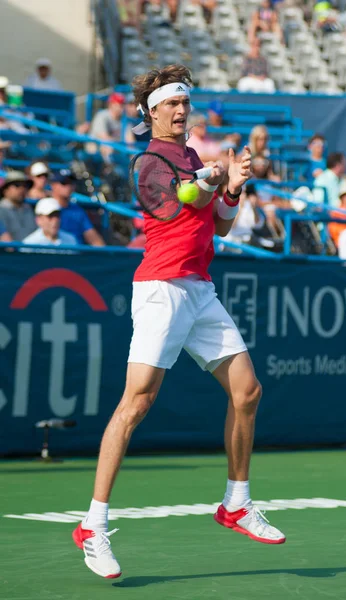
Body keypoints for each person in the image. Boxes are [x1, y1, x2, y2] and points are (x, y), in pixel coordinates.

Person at [72, 64, 286, 580]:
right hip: (161, 290)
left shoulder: (190, 155)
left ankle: (236, 503)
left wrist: (231, 187)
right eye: (172, 103)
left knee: (248, 391)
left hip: (199, 288)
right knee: (137, 402)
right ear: (152, 111)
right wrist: (207, 178)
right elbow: (180, 202)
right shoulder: (149, 161)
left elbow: (219, 222)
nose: (182, 110)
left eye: (186, 103)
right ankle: (92, 525)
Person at [50, 169, 105, 246]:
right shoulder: (45, 208)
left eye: (71, 183)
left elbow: (94, 239)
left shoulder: (78, 210)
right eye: (64, 183)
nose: (69, 186)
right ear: (53, 185)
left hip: (76, 254)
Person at [88, 93, 135, 159]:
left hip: (117, 147)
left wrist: (132, 153)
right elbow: (104, 137)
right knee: (108, 147)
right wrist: (121, 145)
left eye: (123, 104)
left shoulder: (125, 120)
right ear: (111, 104)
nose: (122, 107)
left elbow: (130, 141)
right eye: (119, 104)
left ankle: (134, 168)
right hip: (96, 147)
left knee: (136, 154)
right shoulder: (102, 116)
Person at [0, 171, 35, 240]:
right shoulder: (1, 210)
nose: (22, 189)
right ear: (5, 190)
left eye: (25, 186)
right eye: (17, 185)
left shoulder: (30, 209)